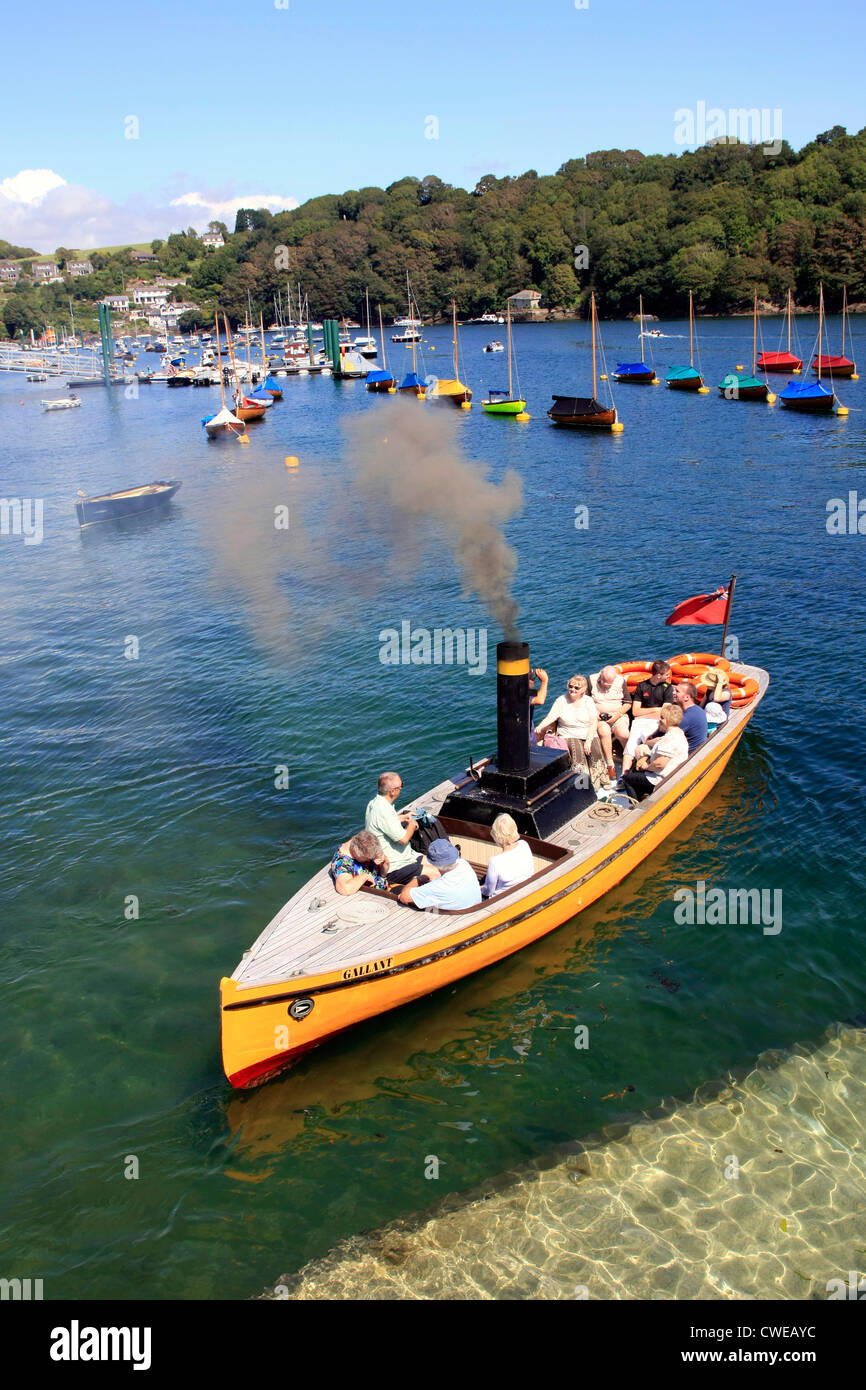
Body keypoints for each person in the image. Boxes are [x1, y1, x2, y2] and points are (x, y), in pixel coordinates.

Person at [534, 674, 609, 788]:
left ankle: (600, 779)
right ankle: (582, 785)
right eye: (571, 686)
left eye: (576, 688)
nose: (572, 689)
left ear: (583, 690)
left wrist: (588, 740)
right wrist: (540, 727)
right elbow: (550, 717)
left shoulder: (588, 701)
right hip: (568, 733)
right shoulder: (561, 700)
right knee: (578, 754)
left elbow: (593, 722)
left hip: (587, 732)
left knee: (595, 751)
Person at [365, 771, 423, 886]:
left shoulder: (375, 803)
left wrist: (401, 817)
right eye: (401, 786)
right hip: (394, 865)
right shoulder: (384, 810)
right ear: (393, 791)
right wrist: (412, 825)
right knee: (435, 872)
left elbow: (384, 822)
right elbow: (403, 839)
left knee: (435, 862)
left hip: (405, 855)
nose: (402, 788)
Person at [621, 704, 688, 802]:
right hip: (672, 773)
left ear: (666, 720)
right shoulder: (679, 733)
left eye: (661, 717)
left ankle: (636, 805)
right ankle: (645, 795)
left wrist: (646, 766)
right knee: (635, 770)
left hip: (661, 778)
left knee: (627, 778)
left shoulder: (670, 739)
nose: (659, 720)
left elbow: (660, 764)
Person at [399, 838, 481, 910]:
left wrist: (417, 879)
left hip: (454, 922)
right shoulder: (464, 864)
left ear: (434, 864)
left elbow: (404, 897)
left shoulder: (439, 887)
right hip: (474, 912)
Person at [590, 665, 632, 780]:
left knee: (623, 733)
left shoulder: (620, 681)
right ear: (600, 676)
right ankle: (610, 764)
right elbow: (586, 702)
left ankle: (630, 760)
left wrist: (616, 715)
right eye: (604, 682)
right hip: (599, 717)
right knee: (604, 731)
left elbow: (628, 703)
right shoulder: (591, 680)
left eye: (610, 684)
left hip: (618, 715)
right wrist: (596, 714)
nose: (606, 686)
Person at [482, 814, 534, 899]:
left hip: (502, 901)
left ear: (497, 836)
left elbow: (488, 891)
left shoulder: (495, 862)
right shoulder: (524, 844)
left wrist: (480, 889)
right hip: (525, 892)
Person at [329, 831, 390, 896]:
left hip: (385, 887)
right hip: (371, 897)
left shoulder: (362, 842)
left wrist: (385, 861)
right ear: (358, 854)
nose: (369, 859)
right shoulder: (343, 863)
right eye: (368, 858)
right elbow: (344, 889)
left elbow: (383, 874)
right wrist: (364, 876)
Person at [673, 681, 708, 754]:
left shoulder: (686, 718)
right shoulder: (698, 710)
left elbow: (666, 737)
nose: (673, 692)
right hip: (696, 750)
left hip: (686, 755)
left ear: (686, 697)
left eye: (677, 691)